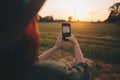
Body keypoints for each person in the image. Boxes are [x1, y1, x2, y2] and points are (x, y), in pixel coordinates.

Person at [0, 0, 89, 80]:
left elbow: (34, 62)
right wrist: (75, 43)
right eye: (34, 21)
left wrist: (55, 47)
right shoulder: (47, 73)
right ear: (27, 29)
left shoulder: (8, 65)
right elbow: (82, 73)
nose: (38, 19)